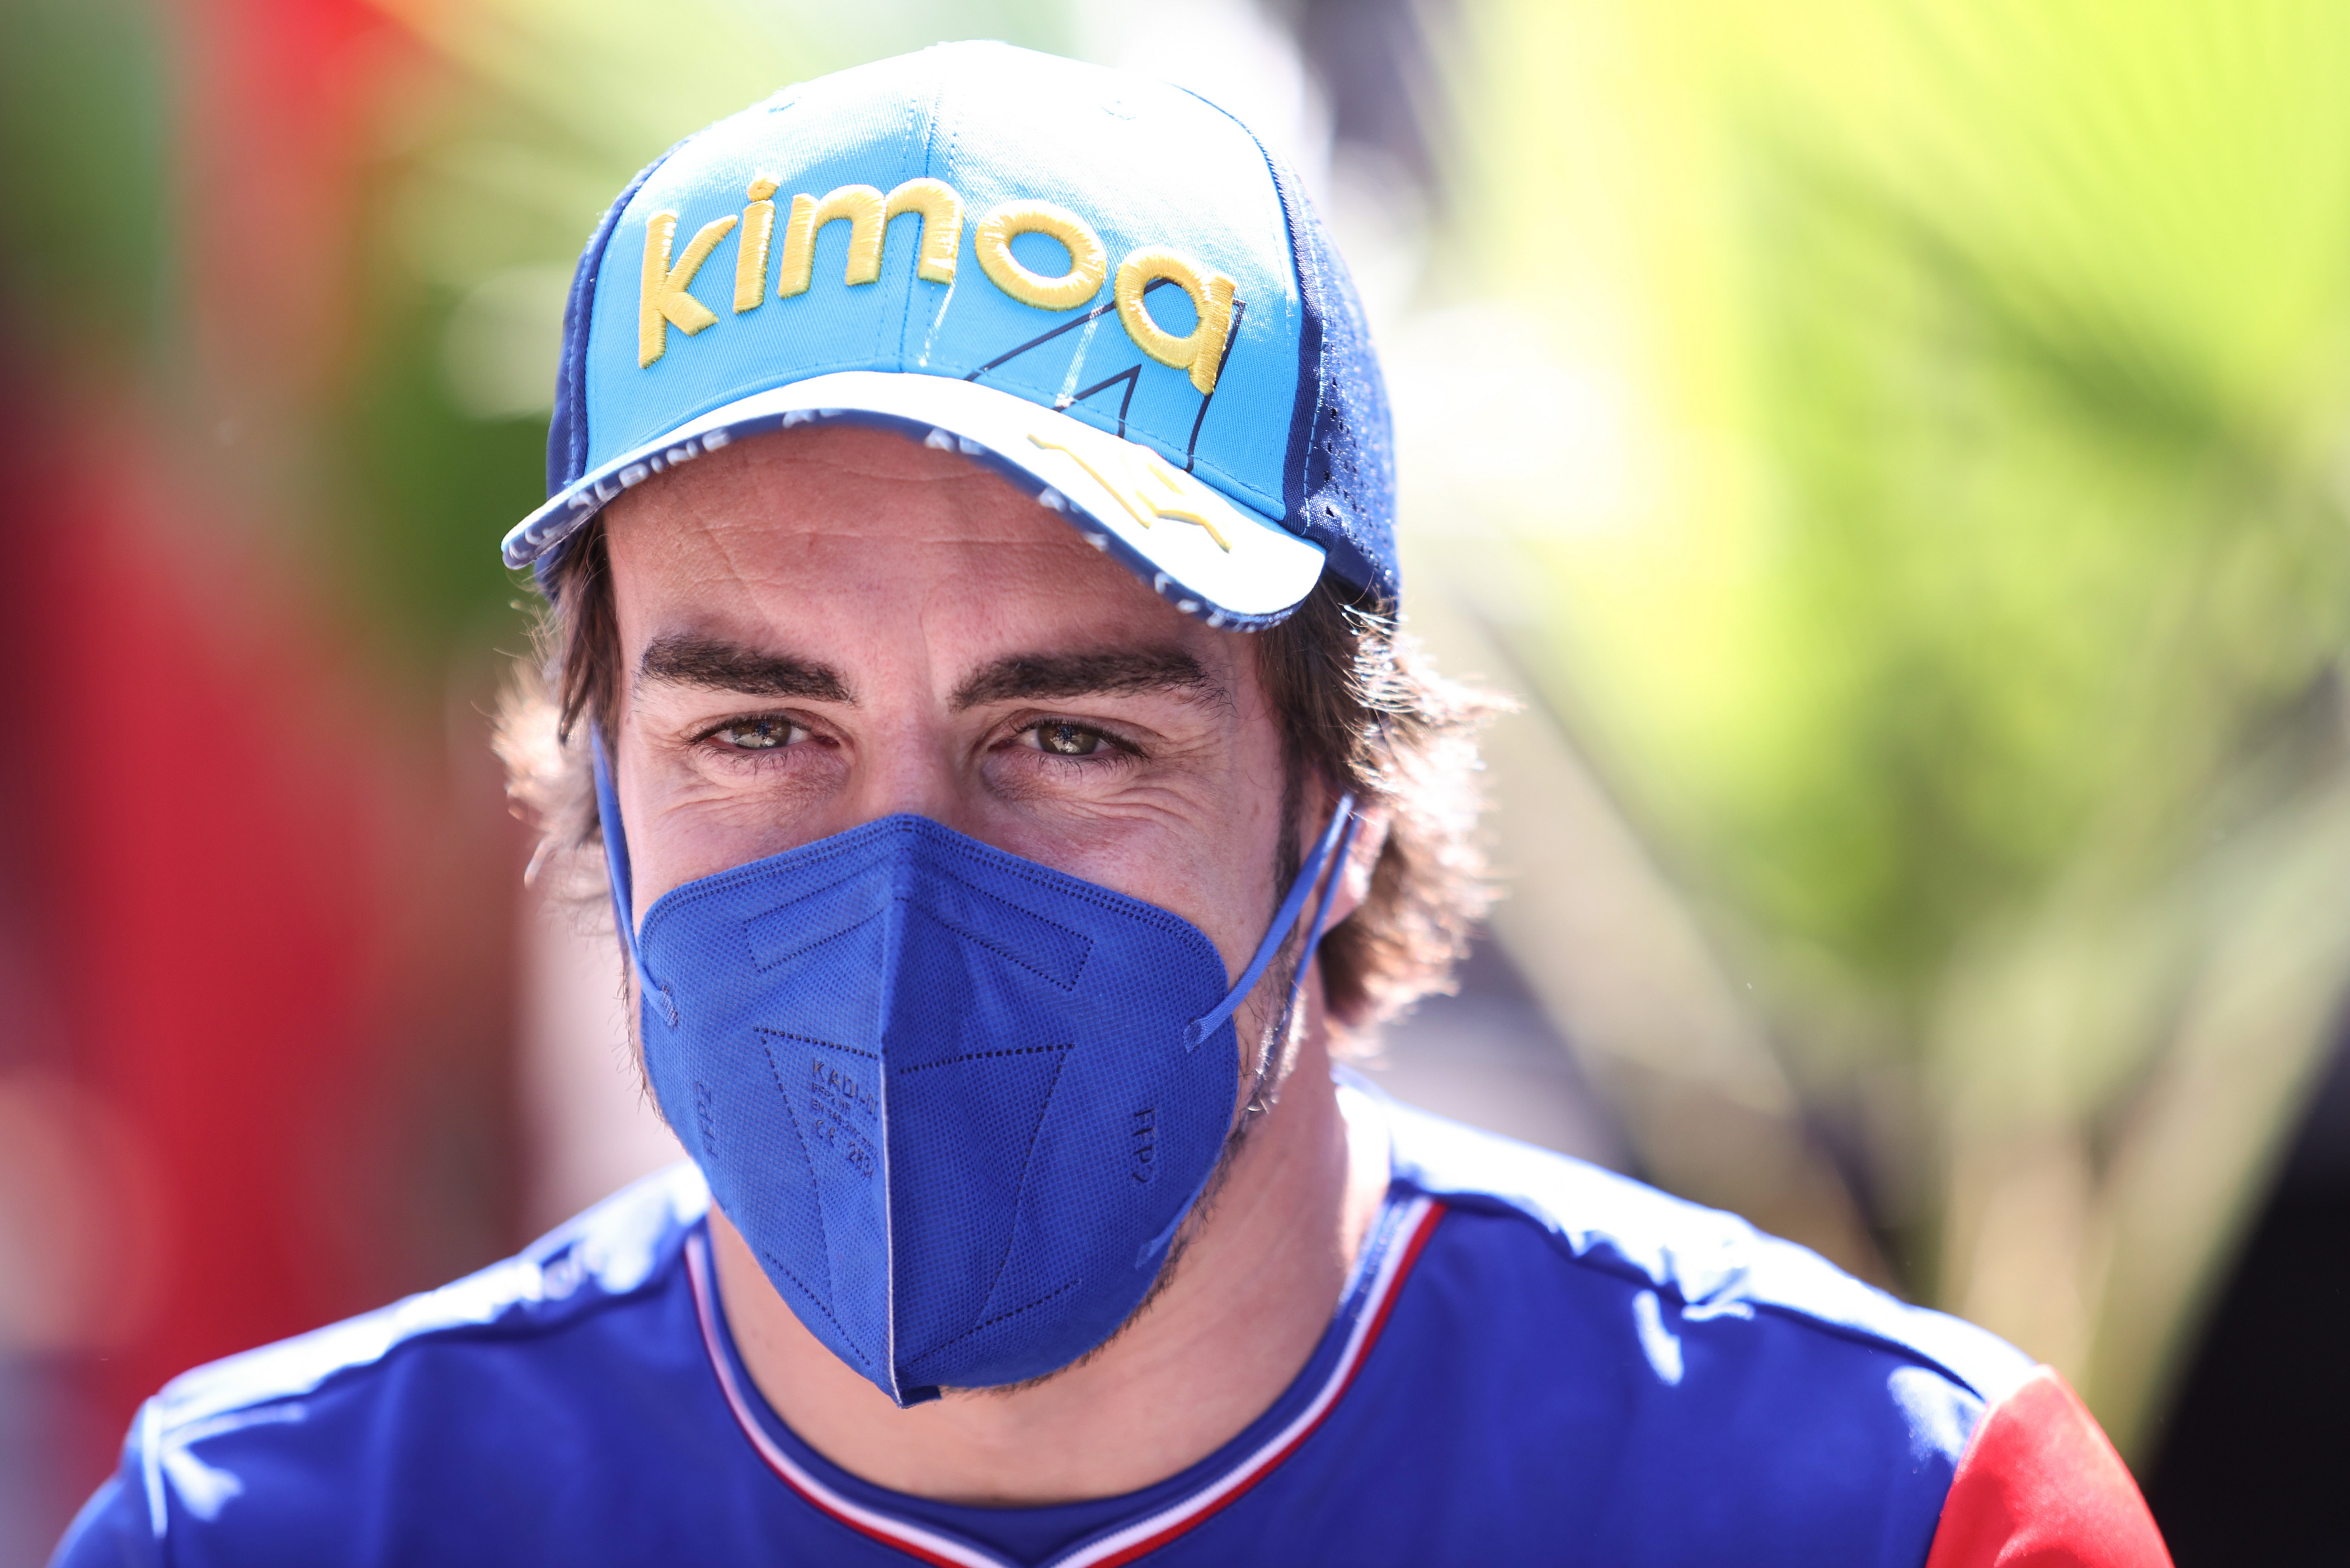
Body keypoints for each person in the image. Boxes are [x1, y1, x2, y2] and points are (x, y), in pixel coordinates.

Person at [54, 41, 2170, 1568]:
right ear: (596, 768)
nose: (893, 896)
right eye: (760, 727)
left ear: (1341, 786)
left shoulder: (1890, 1514)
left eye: (1069, 735)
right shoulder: (277, 1527)